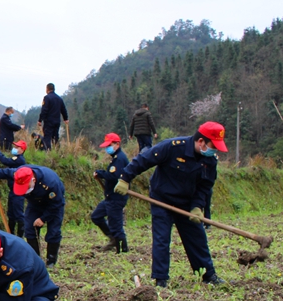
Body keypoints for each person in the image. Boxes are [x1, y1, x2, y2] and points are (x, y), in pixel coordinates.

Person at [114, 121, 227, 288]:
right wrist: (125, 178)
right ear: (201, 141)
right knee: (161, 238)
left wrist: (197, 206)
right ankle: (161, 279)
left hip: (186, 203)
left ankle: (208, 275)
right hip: (162, 199)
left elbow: (204, 187)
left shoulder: (210, 161)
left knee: (197, 237)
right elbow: (144, 160)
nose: (214, 150)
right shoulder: (172, 147)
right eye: (213, 146)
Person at [0, 165, 65, 268]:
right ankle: (35, 259)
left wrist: (43, 219)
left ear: (33, 180)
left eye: (26, 187)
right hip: (35, 204)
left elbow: (57, 204)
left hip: (53, 204)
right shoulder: (20, 173)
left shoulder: (51, 183)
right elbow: (9, 172)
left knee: (53, 232)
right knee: (29, 228)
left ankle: (51, 260)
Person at [91, 133, 130, 253]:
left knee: (116, 225)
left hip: (116, 197)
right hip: (110, 197)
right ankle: (113, 238)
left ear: (117, 144)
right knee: (96, 216)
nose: (107, 148)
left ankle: (122, 249)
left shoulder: (120, 159)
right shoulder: (115, 158)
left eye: (109, 145)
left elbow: (114, 176)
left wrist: (101, 174)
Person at [0, 140, 27, 237]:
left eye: (17, 147)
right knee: (11, 214)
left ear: (22, 150)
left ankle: (20, 236)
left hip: (18, 192)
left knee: (18, 214)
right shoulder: (16, 160)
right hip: (13, 191)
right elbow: (9, 172)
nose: (14, 149)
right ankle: (11, 235)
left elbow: (6, 161)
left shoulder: (20, 160)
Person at [37, 83, 68, 151]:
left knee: (47, 137)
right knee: (55, 137)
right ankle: (57, 151)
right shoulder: (59, 98)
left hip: (49, 121)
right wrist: (65, 119)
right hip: (57, 121)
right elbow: (63, 109)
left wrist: (40, 120)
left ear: (47, 89)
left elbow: (44, 110)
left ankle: (48, 151)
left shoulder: (47, 98)